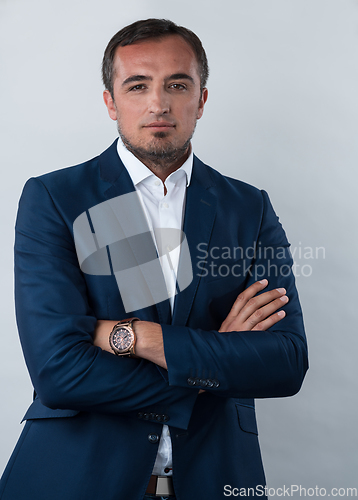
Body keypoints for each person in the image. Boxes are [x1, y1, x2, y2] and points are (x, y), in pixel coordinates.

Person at [0, 18, 308, 500]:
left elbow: (286, 362)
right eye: (137, 85)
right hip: (76, 478)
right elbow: (60, 371)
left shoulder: (248, 208)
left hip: (216, 478)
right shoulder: (56, 198)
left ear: (202, 98)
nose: (158, 103)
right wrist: (214, 364)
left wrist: (137, 337)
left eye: (177, 84)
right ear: (110, 101)